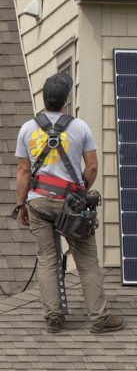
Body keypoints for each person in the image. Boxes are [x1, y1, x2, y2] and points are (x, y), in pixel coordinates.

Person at [14, 72, 125, 334]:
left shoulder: (27, 129)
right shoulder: (80, 127)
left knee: (47, 260)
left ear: (44, 99)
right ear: (66, 100)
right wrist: (81, 191)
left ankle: (53, 317)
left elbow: (23, 172)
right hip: (71, 204)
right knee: (86, 261)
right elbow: (93, 166)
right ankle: (99, 318)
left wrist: (21, 205)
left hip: (39, 203)